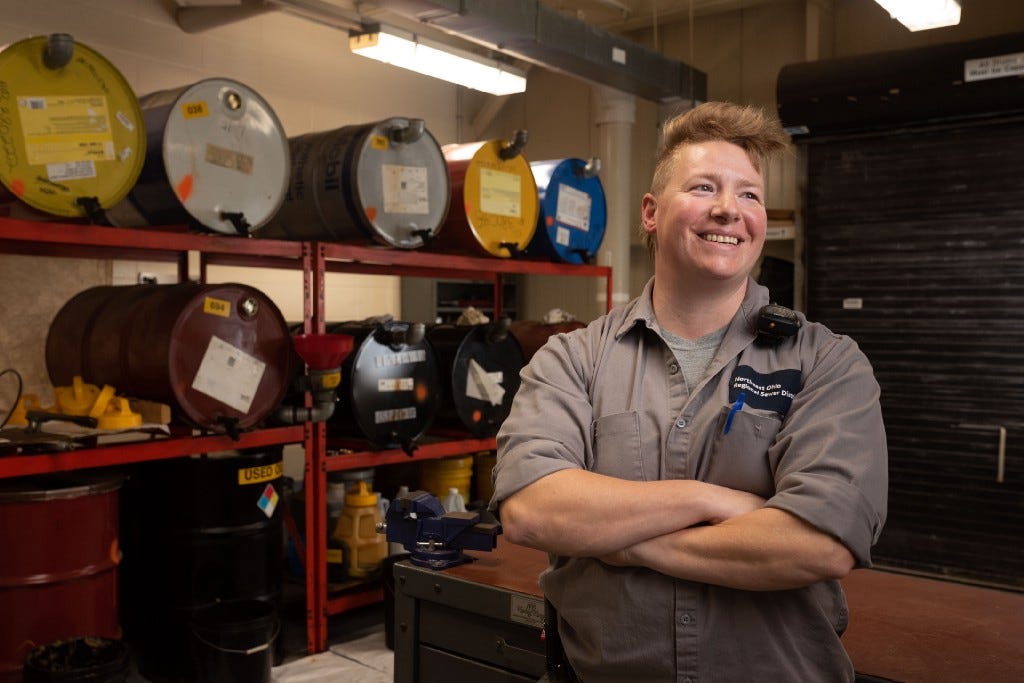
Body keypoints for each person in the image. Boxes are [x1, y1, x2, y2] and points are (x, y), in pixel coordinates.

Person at [490, 101, 888, 682]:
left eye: (749, 195)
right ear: (651, 212)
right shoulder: (573, 359)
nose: (729, 209)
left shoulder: (827, 361)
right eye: (704, 187)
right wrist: (708, 501)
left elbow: (819, 544)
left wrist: (622, 543)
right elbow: (530, 510)